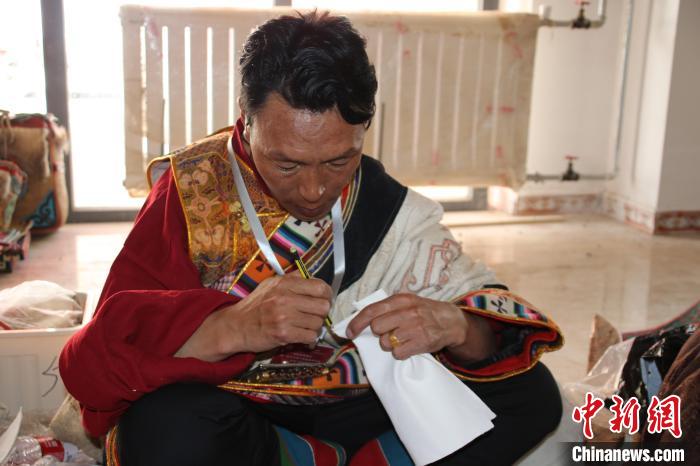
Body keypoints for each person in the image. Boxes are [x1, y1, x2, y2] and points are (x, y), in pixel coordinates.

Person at [60, 11, 563, 466]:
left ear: (364, 130)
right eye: (286, 164)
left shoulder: (382, 201)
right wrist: (234, 326)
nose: (314, 189)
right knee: (162, 430)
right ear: (246, 121)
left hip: (357, 397)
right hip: (243, 408)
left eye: (339, 160)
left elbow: (488, 316)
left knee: (530, 394)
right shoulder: (194, 190)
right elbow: (93, 361)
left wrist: (455, 325)